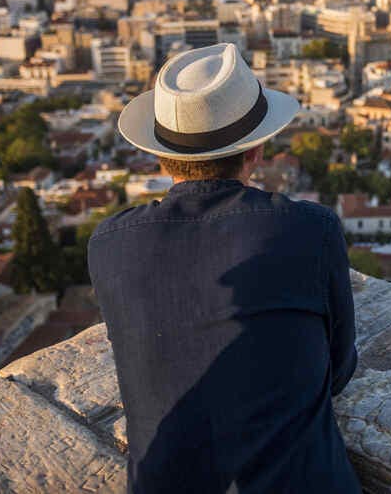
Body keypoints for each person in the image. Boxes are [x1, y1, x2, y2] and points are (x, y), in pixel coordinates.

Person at [89, 43, 360, 493]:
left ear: (159, 155)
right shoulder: (309, 231)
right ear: (255, 149)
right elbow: (338, 371)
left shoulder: (110, 245)